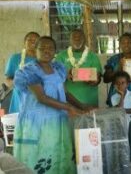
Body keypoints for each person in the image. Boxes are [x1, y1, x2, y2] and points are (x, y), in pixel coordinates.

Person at [13, 36, 90, 174]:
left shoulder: (58, 68)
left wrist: (81, 105)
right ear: (35, 50)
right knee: (40, 156)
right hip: (37, 123)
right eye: (42, 48)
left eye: (50, 48)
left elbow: (64, 92)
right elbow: (42, 98)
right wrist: (69, 108)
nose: (46, 51)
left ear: (55, 51)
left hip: (58, 119)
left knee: (58, 155)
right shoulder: (29, 71)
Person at [55, 29, 102, 107]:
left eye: (80, 37)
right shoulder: (61, 56)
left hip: (89, 102)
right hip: (67, 103)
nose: (77, 39)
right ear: (69, 40)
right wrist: (65, 75)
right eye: (74, 37)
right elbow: (54, 77)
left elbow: (98, 78)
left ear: (85, 40)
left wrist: (94, 81)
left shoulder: (93, 56)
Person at [110, 71, 131, 174]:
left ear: (128, 84)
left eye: (123, 83)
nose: (120, 85)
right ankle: (124, 167)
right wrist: (122, 97)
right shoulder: (113, 97)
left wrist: (122, 110)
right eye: (118, 83)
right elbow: (118, 110)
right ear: (115, 84)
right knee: (123, 143)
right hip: (120, 121)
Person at [4, 31, 40, 114]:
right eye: (29, 39)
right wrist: (16, 82)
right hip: (20, 99)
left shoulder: (44, 59)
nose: (33, 42)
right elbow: (7, 79)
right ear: (24, 43)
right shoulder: (15, 58)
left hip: (39, 99)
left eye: (36, 40)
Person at [103, 33, 131, 106]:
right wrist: (119, 67)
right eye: (123, 43)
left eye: (129, 42)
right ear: (120, 45)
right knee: (117, 114)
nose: (126, 45)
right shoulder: (114, 59)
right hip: (116, 94)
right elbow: (106, 79)